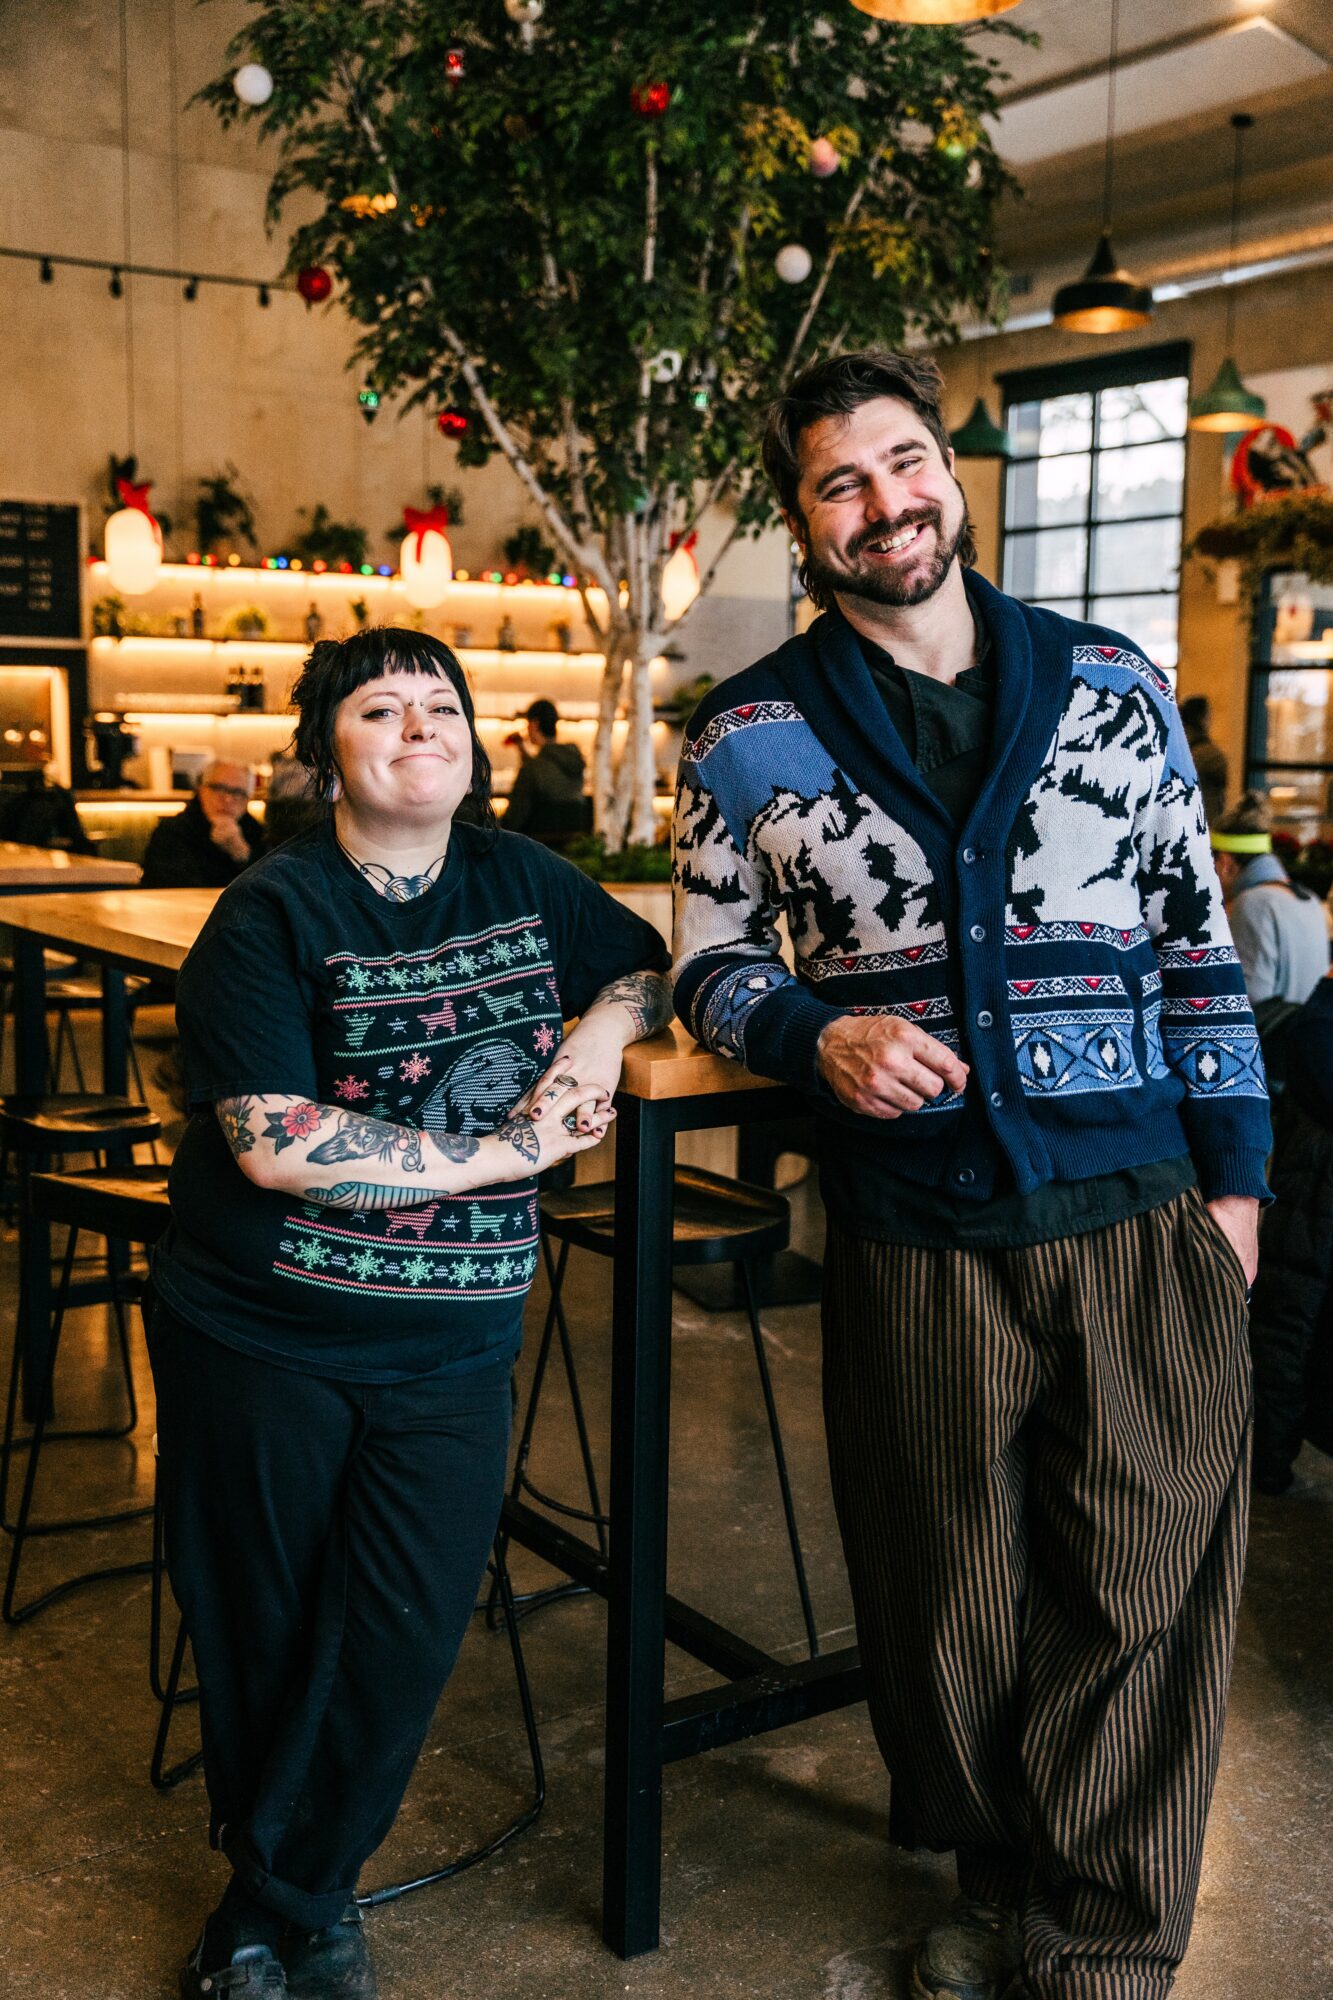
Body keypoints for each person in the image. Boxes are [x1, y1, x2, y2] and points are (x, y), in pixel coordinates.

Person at [672, 350, 1269, 2000]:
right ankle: (1000, 1876)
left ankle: (1101, 1952)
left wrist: (1232, 1191)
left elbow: (1193, 948)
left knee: (1137, 1589)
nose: (885, 502)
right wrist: (813, 1037)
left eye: (905, 461)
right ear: (796, 519)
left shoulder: (1108, 681)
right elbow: (706, 964)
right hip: (916, 1227)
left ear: (950, 471)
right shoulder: (744, 733)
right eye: (839, 481)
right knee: (947, 1602)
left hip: (1139, 1205)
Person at [147, 627, 671, 2000]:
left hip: (452, 1337)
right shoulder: (270, 910)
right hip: (262, 1332)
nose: (420, 725)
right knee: (264, 1618)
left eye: (442, 704)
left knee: (402, 1623)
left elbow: (644, 959)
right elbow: (271, 1140)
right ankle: (286, 1910)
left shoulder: (520, 879)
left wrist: (597, 1040)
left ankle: (283, 1892)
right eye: (382, 707)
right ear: (329, 753)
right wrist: (514, 1153)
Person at [1248, 968, 1333, 1494]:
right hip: (1307, 1222)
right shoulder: (1317, 1028)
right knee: (1287, 1337)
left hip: (1309, 1222)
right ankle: (1266, 1462)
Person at [1210, 792, 1329, 1011]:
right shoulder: (1309, 899)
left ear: (1225, 863)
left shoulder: (1254, 903)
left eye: (1212, 866)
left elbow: (1249, 1005)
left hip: (1277, 1044)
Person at [141, 759, 263, 888]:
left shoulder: (257, 832)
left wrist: (242, 854)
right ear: (201, 790)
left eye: (237, 792)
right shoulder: (171, 832)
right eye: (219, 788)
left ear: (247, 800)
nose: (227, 799)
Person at [500, 697, 590, 843]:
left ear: (534, 724)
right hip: (573, 845)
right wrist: (523, 750)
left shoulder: (532, 769)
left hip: (537, 847)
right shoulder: (573, 759)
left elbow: (514, 819)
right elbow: (548, 767)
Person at [1179, 694, 1227, 825]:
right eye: (1209, 715)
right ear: (1202, 718)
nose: (1211, 720)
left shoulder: (1173, 746)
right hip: (1201, 823)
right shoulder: (1210, 755)